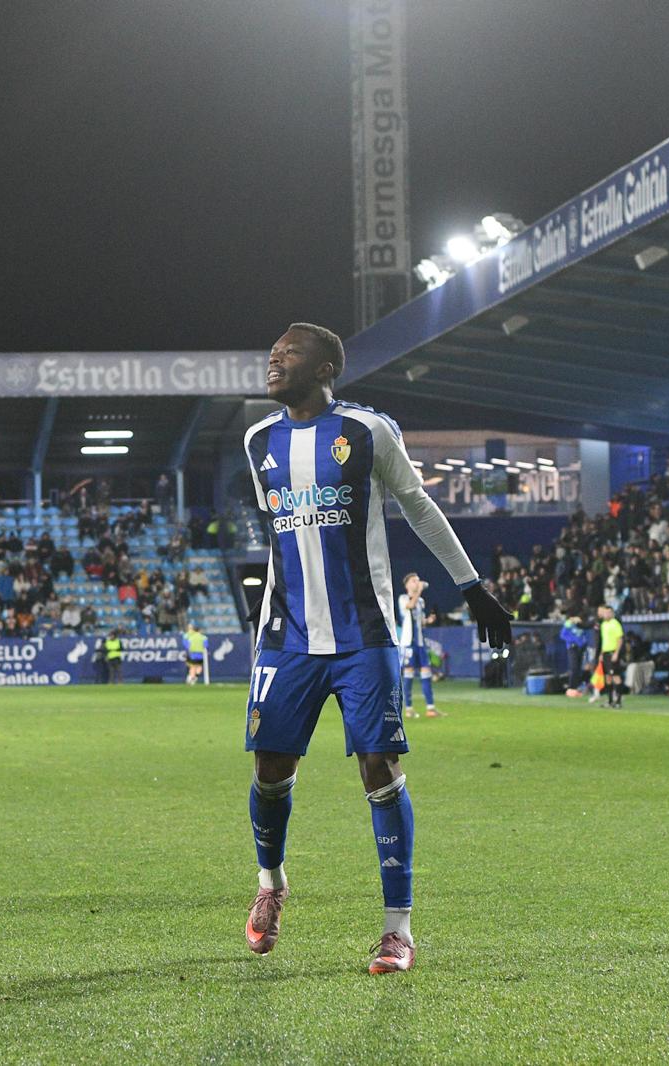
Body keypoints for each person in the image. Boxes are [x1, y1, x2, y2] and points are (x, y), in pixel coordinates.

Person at [239, 323, 512, 976]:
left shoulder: (367, 432)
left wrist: (472, 587)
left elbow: (418, 506)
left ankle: (398, 931)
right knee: (269, 771)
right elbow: (278, 541)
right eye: (272, 350)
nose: (275, 357)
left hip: (364, 635)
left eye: (291, 350)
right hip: (287, 639)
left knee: (379, 769)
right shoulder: (257, 442)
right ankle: (271, 882)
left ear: (328, 365)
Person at [398, 572, 442, 717]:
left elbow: (419, 620)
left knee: (426, 673)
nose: (417, 583)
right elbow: (409, 606)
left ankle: (430, 707)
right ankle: (408, 708)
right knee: (409, 676)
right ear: (407, 585)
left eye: (418, 580)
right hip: (408, 643)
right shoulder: (403, 598)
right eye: (414, 581)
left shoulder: (421, 601)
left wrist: (427, 621)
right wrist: (419, 591)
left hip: (420, 643)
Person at [589, 604, 626, 708]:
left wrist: (616, 653)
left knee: (616, 677)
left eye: (608, 612)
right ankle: (610, 701)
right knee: (608, 678)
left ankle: (618, 701)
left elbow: (620, 639)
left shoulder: (615, 624)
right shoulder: (604, 625)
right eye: (604, 613)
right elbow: (604, 641)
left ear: (612, 613)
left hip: (612, 653)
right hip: (605, 653)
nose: (606, 614)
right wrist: (601, 654)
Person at [560, 614, 589, 699]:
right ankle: (571, 688)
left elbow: (584, 636)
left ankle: (576, 688)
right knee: (574, 667)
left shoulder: (581, 626)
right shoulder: (568, 625)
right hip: (572, 648)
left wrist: (583, 643)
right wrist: (575, 641)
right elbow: (563, 635)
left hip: (580, 648)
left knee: (578, 668)